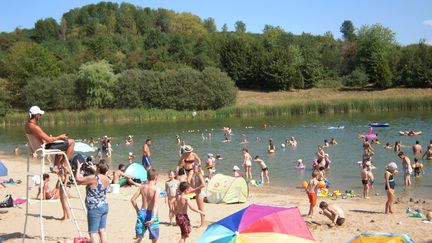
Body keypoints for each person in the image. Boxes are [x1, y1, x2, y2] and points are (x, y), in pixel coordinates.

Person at [25, 106, 75, 173]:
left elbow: (37, 139)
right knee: (72, 142)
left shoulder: (27, 125)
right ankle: (64, 164)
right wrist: (60, 137)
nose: (40, 116)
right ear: (36, 115)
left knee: (60, 147)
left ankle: (56, 167)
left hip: (37, 148)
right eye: (40, 114)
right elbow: (49, 140)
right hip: (43, 148)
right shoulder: (35, 127)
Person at [76, 159, 110, 243]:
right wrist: (93, 168)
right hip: (104, 205)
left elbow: (78, 180)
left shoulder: (93, 178)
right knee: (102, 230)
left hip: (95, 207)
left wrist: (78, 168)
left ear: (98, 168)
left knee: (93, 232)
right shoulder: (107, 179)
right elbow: (100, 174)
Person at [131, 169, 160, 243]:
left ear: (147, 177)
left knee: (139, 236)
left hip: (142, 212)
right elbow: (156, 204)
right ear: (156, 178)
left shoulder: (142, 187)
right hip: (152, 214)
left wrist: (138, 211)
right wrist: (153, 217)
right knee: (154, 238)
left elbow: (133, 200)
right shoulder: (156, 189)